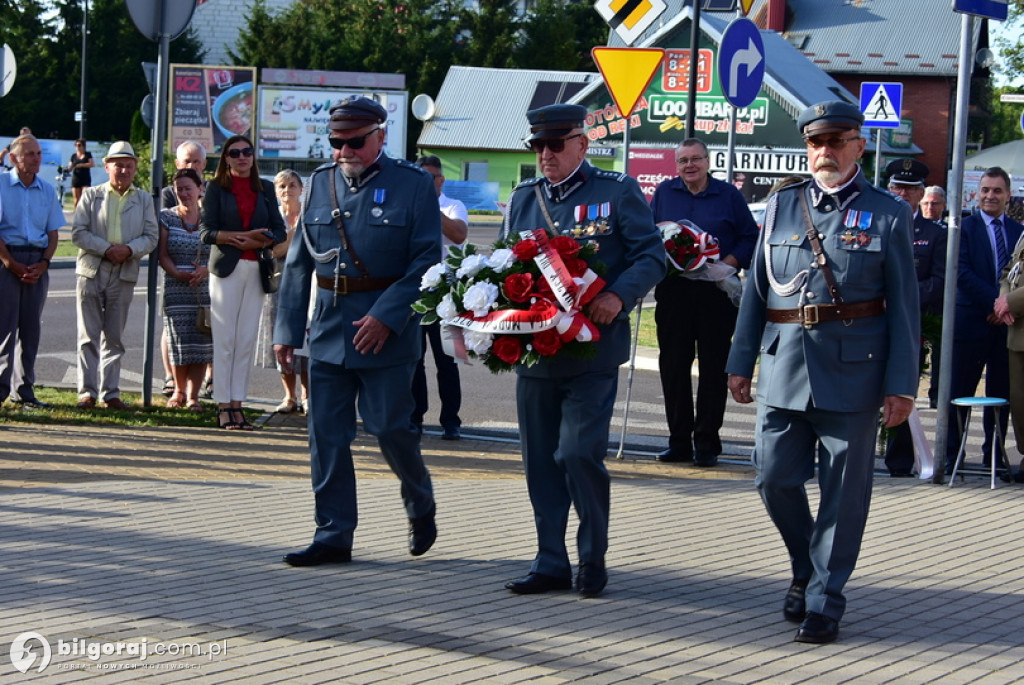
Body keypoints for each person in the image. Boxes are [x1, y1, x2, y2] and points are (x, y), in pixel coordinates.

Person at [725, 101, 919, 644]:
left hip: (854, 373)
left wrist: (902, 384)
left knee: (843, 494)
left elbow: (903, 305)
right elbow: (757, 293)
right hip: (783, 364)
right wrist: (740, 361)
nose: (825, 152)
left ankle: (825, 600)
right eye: (816, 142)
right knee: (772, 476)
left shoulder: (888, 212)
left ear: (859, 144)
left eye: (836, 141)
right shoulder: (782, 205)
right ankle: (805, 563)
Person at [500, 104, 664, 598]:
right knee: (539, 461)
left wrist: (618, 295)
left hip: (592, 348)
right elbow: (504, 266)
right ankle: (550, 560)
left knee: (577, 453)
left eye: (555, 144)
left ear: (582, 143)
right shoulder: (523, 198)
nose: (545, 155)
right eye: (538, 146)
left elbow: (651, 255)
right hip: (536, 350)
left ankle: (592, 556)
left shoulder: (615, 191)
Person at [274, 96, 441, 566]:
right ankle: (333, 533)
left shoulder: (413, 185)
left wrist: (388, 315)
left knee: (390, 428)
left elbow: (427, 260)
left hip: (386, 332)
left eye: (355, 141)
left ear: (380, 136)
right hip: (328, 329)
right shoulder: (320, 183)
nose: (344, 149)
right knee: (325, 434)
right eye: (336, 141)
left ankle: (419, 499)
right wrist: (286, 329)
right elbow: (299, 262)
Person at [651, 138, 758, 466]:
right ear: (676, 164)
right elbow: (648, 234)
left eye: (696, 159)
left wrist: (729, 263)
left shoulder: (728, 195)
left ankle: (707, 444)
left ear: (708, 161)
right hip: (674, 291)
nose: (689, 166)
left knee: (714, 368)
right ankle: (678, 441)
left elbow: (750, 237)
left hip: (717, 291)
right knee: (673, 367)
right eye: (683, 160)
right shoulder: (665, 193)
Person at [200, 134, 286, 430]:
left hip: (256, 269)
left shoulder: (266, 188)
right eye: (234, 153)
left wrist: (252, 239)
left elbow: (279, 230)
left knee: (245, 340)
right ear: (226, 158)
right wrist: (232, 237)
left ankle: (238, 405)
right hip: (226, 270)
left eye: (246, 152)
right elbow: (206, 232)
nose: (241, 157)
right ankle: (223, 406)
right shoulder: (215, 188)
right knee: (225, 340)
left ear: (253, 156)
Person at [71, 141, 160, 410]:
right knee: (88, 335)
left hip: (124, 271)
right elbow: (78, 232)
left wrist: (129, 250)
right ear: (107, 166)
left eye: (129, 165)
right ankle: (86, 392)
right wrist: (107, 248)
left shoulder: (144, 199)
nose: (123, 170)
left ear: (135, 169)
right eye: (118, 164)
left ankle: (111, 393)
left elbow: (151, 237)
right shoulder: (91, 195)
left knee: (114, 336)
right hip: (92, 269)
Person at [947, 167, 1023, 472]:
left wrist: (1006, 307)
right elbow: (961, 272)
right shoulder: (963, 228)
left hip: (1007, 327)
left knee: (1002, 394)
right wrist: (996, 303)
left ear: (1007, 195)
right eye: (985, 190)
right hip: (972, 322)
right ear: (977, 193)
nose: (990, 196)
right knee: (960, 392)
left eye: (997, 191)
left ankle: (995, 457)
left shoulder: (1018, 232)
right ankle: (953, 456)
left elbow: (1015, 279)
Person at [882, 159, 947, 476]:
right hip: (872, 322)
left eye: (909, 188)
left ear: (921, 193)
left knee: (903, 389)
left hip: (912, 324)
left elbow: (938, 283)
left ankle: (899, 460)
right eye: (897, 187)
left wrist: (898, 296)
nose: (902, 193)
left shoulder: (934, 234)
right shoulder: (873, 224)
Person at [0, 134, 64, 408]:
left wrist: (44, 263)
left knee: (30, 330)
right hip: (7, 260)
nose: (37, 158)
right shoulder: (2, 185)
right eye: (30, 154)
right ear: (14, 158)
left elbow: (53, 233)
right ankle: (1, 390)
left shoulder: (47, 190)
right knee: (5, 330)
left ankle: (24, 391)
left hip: (37, 261)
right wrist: (10, 264)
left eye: (38, 153)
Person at [411, 155, 467, 440]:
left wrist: (429, 204)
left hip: (447, 295)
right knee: (414, 359)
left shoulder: (452, 206)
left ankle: (451, 421)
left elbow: (458, 234)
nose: (422, 183)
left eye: (428, 178)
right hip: (416, 293)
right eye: (418, 178)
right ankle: (416, 417)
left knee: (449, 360)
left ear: (440, 180)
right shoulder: (409, 206)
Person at [157, 168, 212, 412]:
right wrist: (176, 273)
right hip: (175, 287)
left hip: (204, 290)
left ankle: (194, 396)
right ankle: (178, 391)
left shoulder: (211, 218)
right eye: (179, 189)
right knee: (179, 342)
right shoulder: (166, 217)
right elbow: (162, 254)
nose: (183, 193)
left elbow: (221, 252)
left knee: (201, 343)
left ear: (200, 189)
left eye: (188, 188)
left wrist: (206, 270)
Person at [255, 169, 308, 414]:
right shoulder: (271, 217)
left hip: (306, 282)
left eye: (292, 185)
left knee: (306, 340)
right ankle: (289, 396)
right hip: (276, 283)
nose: (287, 191)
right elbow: (273, 252)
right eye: (282, 186)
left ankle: (307, 395)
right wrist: (294, 233)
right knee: (280, 339)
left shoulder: (310, 215)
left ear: (301, 189)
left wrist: (288, 239)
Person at [994, 230, 1024, 482]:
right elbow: (1009, 270)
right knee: (1020, 401)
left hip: (1018, 315)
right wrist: (1004, 296)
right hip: (1017, 334)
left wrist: (1011, 301)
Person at [69, 138, 94, 207]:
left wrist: (81, 165)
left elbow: (91, 164)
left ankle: (84, 213)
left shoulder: (88, 154)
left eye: (79, 145)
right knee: (76, 199)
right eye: (76, 145)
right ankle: (76, 214)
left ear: (83, 146)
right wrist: (69, 168)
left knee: (84, 196)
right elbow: (70, 166)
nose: (77, 147)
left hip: (85, 178)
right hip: (76, 178)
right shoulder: (73, 156)